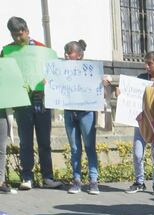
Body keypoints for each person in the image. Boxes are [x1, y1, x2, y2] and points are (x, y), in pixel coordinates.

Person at [2, 17, 60, 191]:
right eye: (14, 35)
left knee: (44, 141)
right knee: (25, 141)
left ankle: (47, 177)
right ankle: (27, 177)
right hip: (21, 102)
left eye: (20, 34)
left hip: (41, 101)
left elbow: (54, 73)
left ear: (26, 30)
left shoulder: (42, 50)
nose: (18, 39)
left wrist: (46, 84)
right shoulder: (7, 51)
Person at [60, 40, 101, 195]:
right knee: (75, 148)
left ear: (79, 55)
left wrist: (104, 83)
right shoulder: (61, 71)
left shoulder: (90, 70)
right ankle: (76, 180)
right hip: (69, 112)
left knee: (90, 146)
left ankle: (93, 181)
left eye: (69, 52)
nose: (65, 55)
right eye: (65, 51)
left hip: (86, 113)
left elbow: (99, 90)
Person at [126, 51, 154, 194]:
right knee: (137, 153)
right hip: (141, 122)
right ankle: (139, 182)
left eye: (150, 63)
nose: (146, 66)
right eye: (145, 63)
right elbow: (131, 95)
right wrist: (120, 92)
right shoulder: (141, 79)